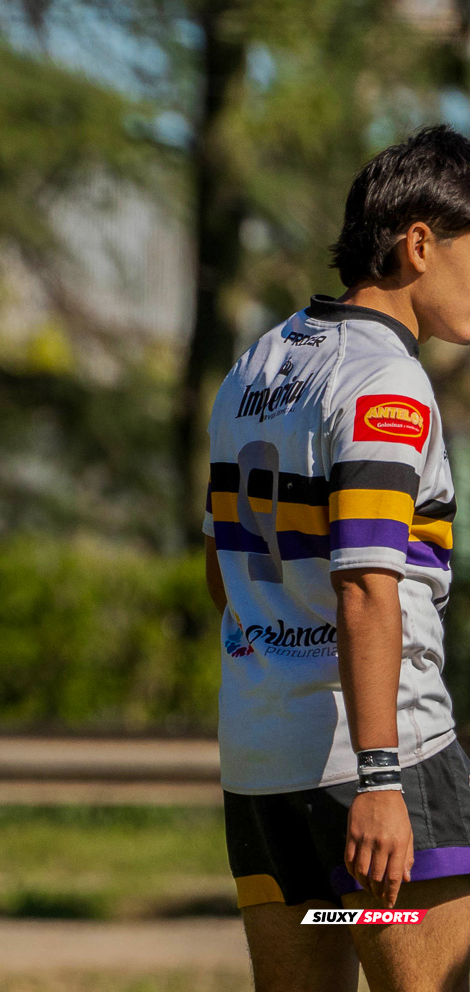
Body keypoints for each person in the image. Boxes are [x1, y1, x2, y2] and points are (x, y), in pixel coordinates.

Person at [206, 125, 470, 991]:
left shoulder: (253, 367)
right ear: (420, 242)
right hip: (380, 782)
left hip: (265, 777)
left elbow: (221, 574)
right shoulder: (383, 383)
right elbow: (365, 585)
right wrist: (382, 779)